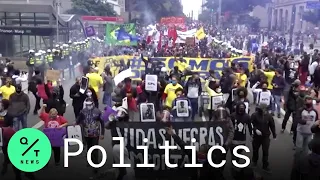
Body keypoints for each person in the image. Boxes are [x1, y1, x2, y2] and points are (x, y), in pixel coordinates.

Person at [1, 113, 36, 180]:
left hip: (15, 143)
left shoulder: (8, 132)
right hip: (7, 142)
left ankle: (26, 173)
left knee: (16, 159)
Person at [76, 98, 104, 177]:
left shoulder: (97, 111)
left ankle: (96, 165)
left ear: (93, 104)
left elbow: (102, 122)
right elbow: (79, 118)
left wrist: (102, 133)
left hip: (95, 133)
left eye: (90, 105)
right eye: (87, 105)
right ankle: (89, 160)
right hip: (86, 133)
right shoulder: (83, 111)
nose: (89, 106)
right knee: (88, 147)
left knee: (94, 148)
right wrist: (76, 123)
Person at [251, 104, 277, 173]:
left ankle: (265, 165)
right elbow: (251, 124)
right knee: (255, 150)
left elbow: (272, 126)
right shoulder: (254, 115)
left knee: (265, 151)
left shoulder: (269, 116)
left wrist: (274, 134)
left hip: (265, 136)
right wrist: (255, 130)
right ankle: (254, 161)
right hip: (256, 137)